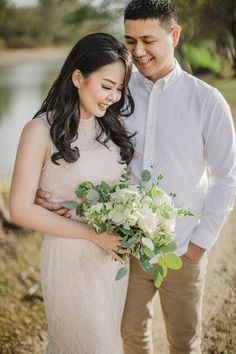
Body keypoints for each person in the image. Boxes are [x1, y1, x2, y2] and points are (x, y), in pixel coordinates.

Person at [35, 1, 236, 353]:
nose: (138, 52)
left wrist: (200, 244)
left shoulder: (208, 101)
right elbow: (84, 149)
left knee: (185, 342)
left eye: (148, 40)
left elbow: (226, 176)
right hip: (125, 249)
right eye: (130, 41)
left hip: (182, 247)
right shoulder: (115, 95)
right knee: (131, 337)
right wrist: (53, 190)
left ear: (174, 35)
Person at [9, 33, 135, 354]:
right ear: (78, 77)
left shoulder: (113, 126)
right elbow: (20, 209)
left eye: (119, 89)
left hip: (109, 261)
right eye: (106, 86)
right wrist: (92, 234)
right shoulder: (39, 131)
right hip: (69, 260)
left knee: (107, 341)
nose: (113, 97)